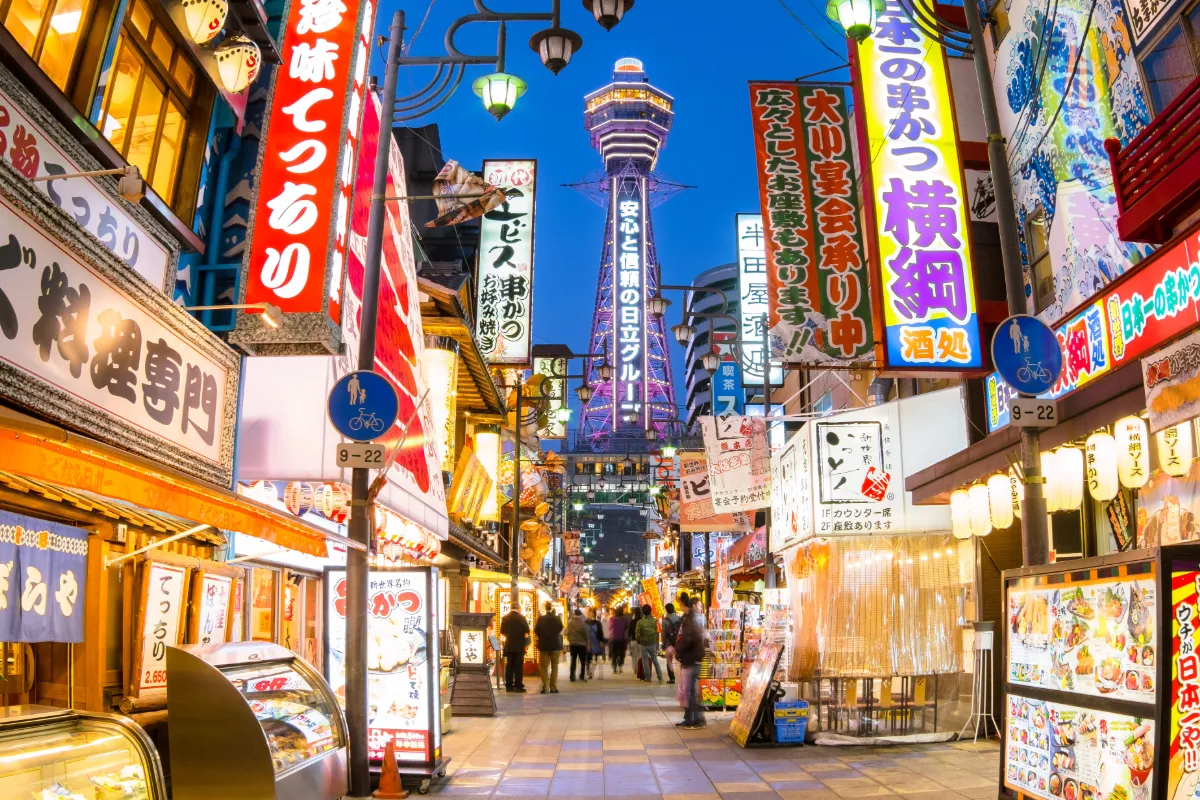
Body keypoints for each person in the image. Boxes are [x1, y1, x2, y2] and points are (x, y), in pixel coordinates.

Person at [675, 596, 708, 728]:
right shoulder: (693, 618)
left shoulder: (691, 619)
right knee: (691, 691)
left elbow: (687, 639)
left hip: (692, 658)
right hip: (694, 657)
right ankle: (692, 718)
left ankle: (695, 720)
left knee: (689, 691)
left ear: (685, 605)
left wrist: (677, 650)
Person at [534, 602, 564, 694]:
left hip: (544, 646)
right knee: (555, 666)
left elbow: (536, 631)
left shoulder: (541, 619)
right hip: (555, 645)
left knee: (544, 667)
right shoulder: (557, 618)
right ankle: (553, 687)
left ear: (544, 608)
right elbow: (561, 629)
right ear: (551, 608)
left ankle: (546, 687)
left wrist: (542, 636)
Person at [499, 606, 530, 693]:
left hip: (509, 645)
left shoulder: (505, 618)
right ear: (518, 609)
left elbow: (502, 631)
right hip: (519, 645)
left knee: (509, 666)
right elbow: (527, 630)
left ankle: (509, 686)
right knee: (518, 666)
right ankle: (518, 686)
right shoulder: (522, 618)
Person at [635, 604, 664, 683]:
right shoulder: (655, 621)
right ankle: (660, 677)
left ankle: (648, 678)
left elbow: (637, 634)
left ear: (643, 612)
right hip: (653, 643)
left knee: (645, 660)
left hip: (643, 644)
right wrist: (656, 642)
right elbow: (657, 632)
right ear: (650, 611)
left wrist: (638, 641)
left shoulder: (640, 622)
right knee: (655, 660)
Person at [566, 608, 590, 682]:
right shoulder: (583, 623)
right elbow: (586, 635)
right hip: (581, 645)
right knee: (583, 661)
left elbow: (567, 632)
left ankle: (572, 676)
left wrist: (570, 639)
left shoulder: (569, 622)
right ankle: (582, 676)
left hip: (573, 644)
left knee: (573, 660)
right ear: (580, 615)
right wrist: (587, 644)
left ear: (574, 614)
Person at [661, 601, 682, 685]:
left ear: (666, 610)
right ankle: (682, 677)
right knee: (681, 661)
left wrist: (663, 643)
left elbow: (664, 634)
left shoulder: (665, 620)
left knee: (669, 661)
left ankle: (672, 678)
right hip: (679, 643)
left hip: (669, 644)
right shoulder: (679, 618)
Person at [586, 607, 606, 679]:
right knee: (588, 659)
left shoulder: (598, 623)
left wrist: (601, 641)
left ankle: (591, 673)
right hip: (587, 643)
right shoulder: (586, 622)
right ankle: (589, 672)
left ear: (593, 614)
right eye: (588, 613)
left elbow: (600, 633)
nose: (588, 614)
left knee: (595, 659)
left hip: (596, 643)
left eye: (590, 613)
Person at [609, 606, 629, 673]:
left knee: (614, 653)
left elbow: (610, 627)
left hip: (613, 638)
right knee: (621, 653)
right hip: (621, 638)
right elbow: (626, 627)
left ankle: (614, 667)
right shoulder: (624, 619)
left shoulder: (612, 619)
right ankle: (620, 666)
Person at [629, 605, 643, 674]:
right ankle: (640, 668)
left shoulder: (632, 621)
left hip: (634, 640)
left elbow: (629, 631)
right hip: (641, 641)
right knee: (641, 656)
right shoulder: (642, 621)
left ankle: (635, 669)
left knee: (634, 656)